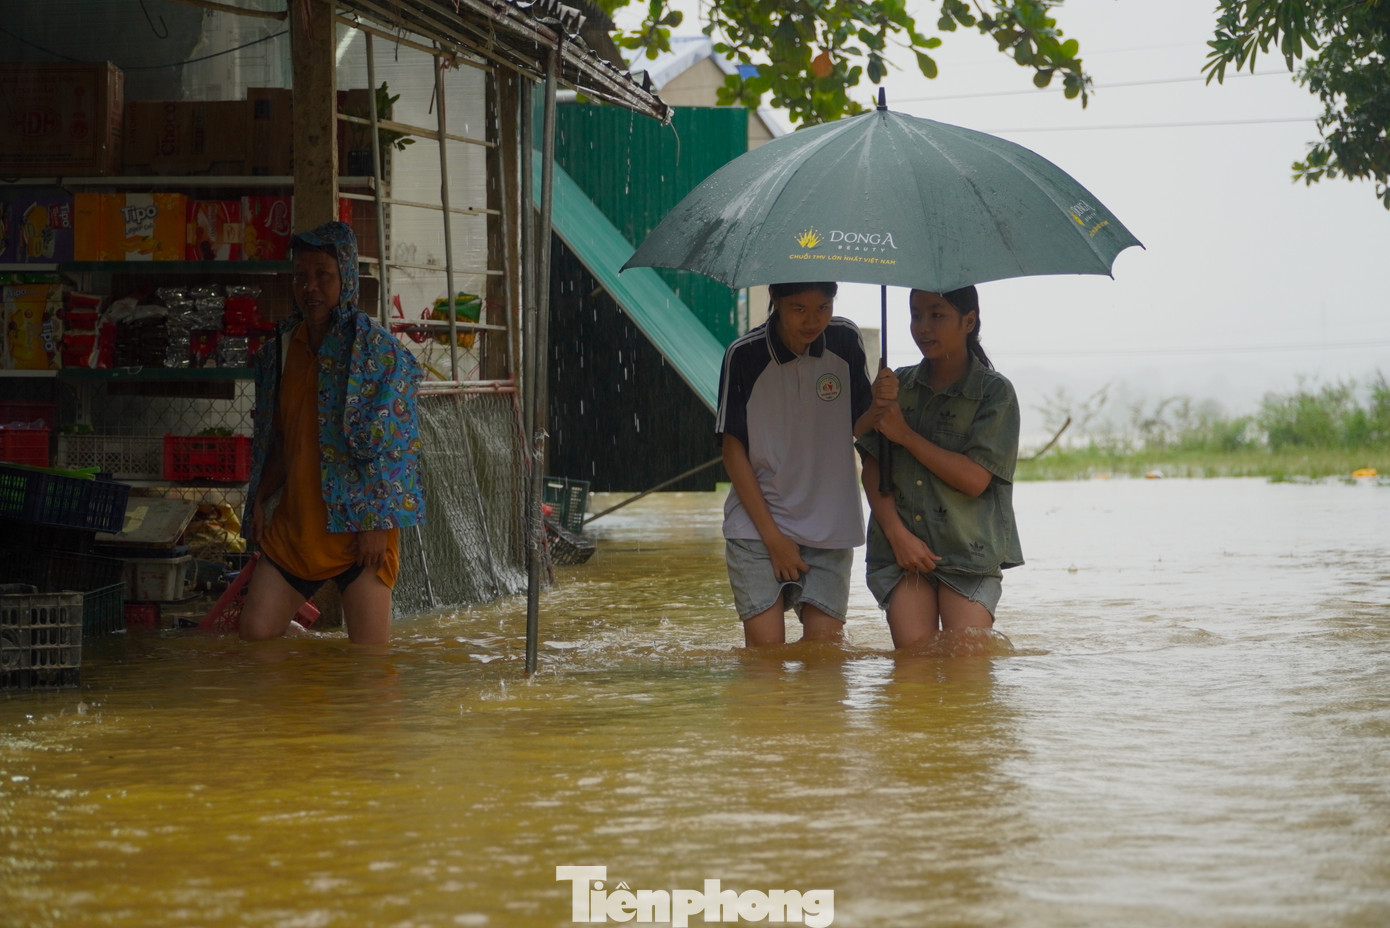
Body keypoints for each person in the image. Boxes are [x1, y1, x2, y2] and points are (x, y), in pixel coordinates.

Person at [239, 220, 425, 645]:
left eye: (323, 275)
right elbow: (281, 439)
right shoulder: (281, 352)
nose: (311, 288)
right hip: (298, 530)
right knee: (256, 637)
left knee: (369, 663)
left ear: (346, 278)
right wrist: (261, 499)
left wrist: (377, 524)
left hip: (361, 534)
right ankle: (306, 704)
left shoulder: (378, 353)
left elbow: (396, 446)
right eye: (301, 277)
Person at [715, 281, 881, 647]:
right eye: (799, 309)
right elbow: (732, 450)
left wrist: (881, 406)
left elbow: (859, 425)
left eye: (823, 307)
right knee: (765, 661)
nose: (813, 321)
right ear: (774, 298)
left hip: (829, 524)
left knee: (824, 664)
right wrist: (774, 539)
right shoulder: (743, 354)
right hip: (758, 526)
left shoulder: (845, 339)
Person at [860, 287, 1023, 649]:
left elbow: (974, 479)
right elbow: (872, 466)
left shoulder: (994, 393)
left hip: (969, 552)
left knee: (967, 670)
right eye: (916, 315)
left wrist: (904, 434)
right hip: (902, 551)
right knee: (913, 671)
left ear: (969, 321)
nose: (923, 328)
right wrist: (897, 535)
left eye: (937, 315)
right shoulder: (895, 386)